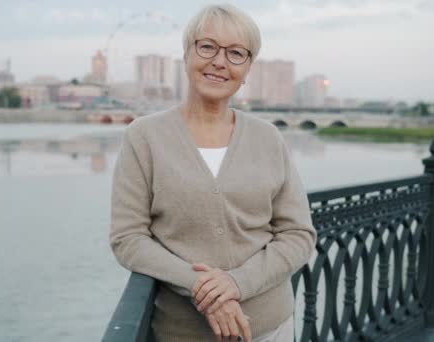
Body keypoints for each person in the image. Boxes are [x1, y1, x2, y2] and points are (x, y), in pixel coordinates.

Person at [109, 4, 317, 341]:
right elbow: (128, 238)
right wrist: (203, 288)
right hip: (183, 332)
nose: (219, 62)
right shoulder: (144, 136)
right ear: (187, 54)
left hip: (271, 327)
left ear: (248, 68)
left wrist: (237, 283)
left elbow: (298, 235)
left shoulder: (268, 138)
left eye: (236, 53)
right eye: (207, 47)